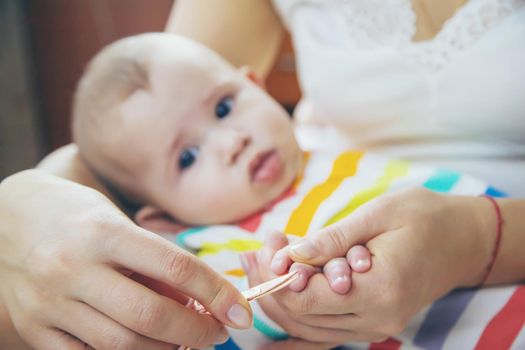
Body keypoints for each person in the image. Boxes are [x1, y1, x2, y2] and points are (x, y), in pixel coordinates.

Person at [68, 32, 520, 349]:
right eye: (187, 158)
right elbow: (221, 327)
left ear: (255, 85)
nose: (232, 141)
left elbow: (458, 196)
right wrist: (280, 305)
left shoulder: (326, 148)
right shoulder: (210, 249)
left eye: (224, 107)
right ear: (162, 219)